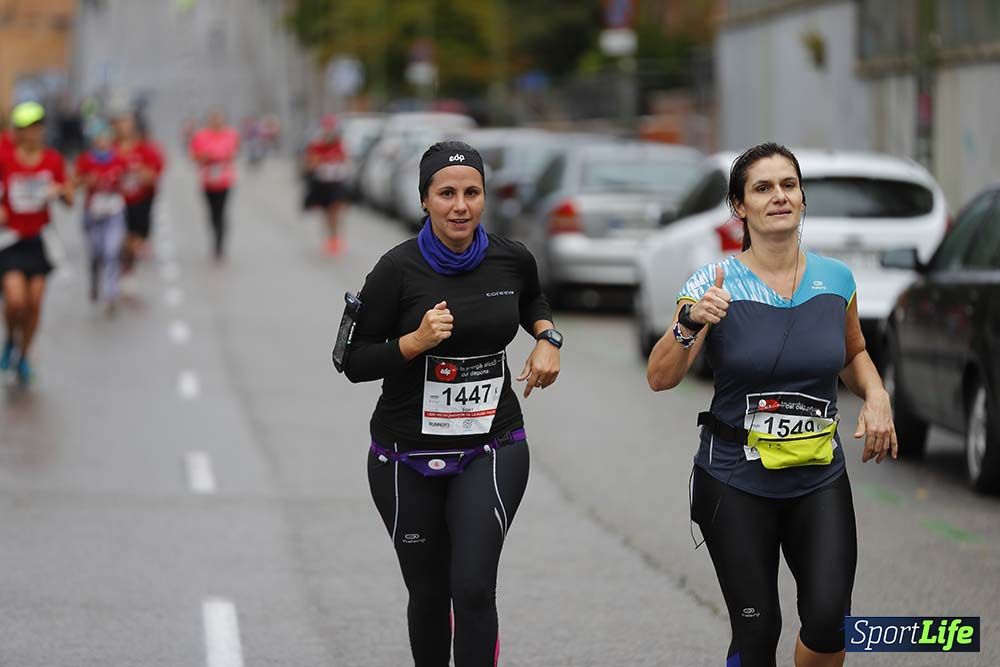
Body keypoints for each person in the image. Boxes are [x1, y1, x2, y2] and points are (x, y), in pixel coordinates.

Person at [646, 142, 897, 667]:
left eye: (789, 185)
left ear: (803, 198)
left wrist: (876, 395)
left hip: (818, 475)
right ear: (740, 207)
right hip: (736, 480)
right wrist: (690, 322)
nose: (778, 196)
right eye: (763, 188)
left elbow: (853, 354)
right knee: (758, 634)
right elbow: (660, 377)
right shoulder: (711, 283)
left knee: (830, 623)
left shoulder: (837, 280)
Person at [339, 141, 562, 666]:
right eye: (446, 194)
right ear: (424, 201)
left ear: (485, 197)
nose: (459, 206)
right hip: (404, 458)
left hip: (492, 447)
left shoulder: (512, 257)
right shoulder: (396, 270)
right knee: (430, 594)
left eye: (471, 193)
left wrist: (548, 338)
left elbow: (532, 298)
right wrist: (414, 342)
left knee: (474, 588)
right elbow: (353, 361)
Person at [0, 102, 73, 385]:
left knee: (35, 303)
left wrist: (61, 192)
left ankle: (24, 356)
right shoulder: (5, 160)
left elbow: (68, 200)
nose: (34, 133)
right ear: (17, 132)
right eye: (27, 128)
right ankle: (9, 341)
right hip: (10, 241)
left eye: (38, 127)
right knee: (16, 300)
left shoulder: (52, 161)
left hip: (39, 241)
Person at [75, 123, 127, 312]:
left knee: (111, 252)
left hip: (114, 212)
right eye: (99, 139)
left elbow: (130, 179)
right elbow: (74, 183)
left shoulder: (119, 159)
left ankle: (111, 293)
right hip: (93, 214)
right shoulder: (85, 161)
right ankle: (94, 280)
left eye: (105, 138)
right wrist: (87, 181)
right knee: (96, 252)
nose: (102, 142)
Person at [111, 106, 165, 279]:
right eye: (119, 123)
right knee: (121, 239)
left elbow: (154, 175)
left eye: (126, 122)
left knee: (137, 240)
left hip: (141, 202)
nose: (123, 127)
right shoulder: (109, 149)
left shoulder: (147, 149)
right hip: (115, 203)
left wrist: (139, 171)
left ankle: (127, 271)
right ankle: (120, 270)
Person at [189, 110, 239, 260]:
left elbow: (233, 152)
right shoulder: (200, 136)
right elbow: (194, 156)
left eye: (219, 119)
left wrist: (221, 157)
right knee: (212, 213)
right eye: (214, 119)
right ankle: (214, 236)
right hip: (207, 180)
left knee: (222, 212)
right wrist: (205, 157)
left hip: (225, 180)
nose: (217, 122)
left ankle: (220, 244)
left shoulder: (231, 134)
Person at [303, 114, 349, 255]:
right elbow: (309, 165)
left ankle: (335, 237)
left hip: (336, 182)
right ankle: (329, 237)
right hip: (322, 184)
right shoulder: (316, 146)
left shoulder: (339, 144)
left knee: (335, 210)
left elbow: (345, 161)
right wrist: (318, 162)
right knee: (326, 213)